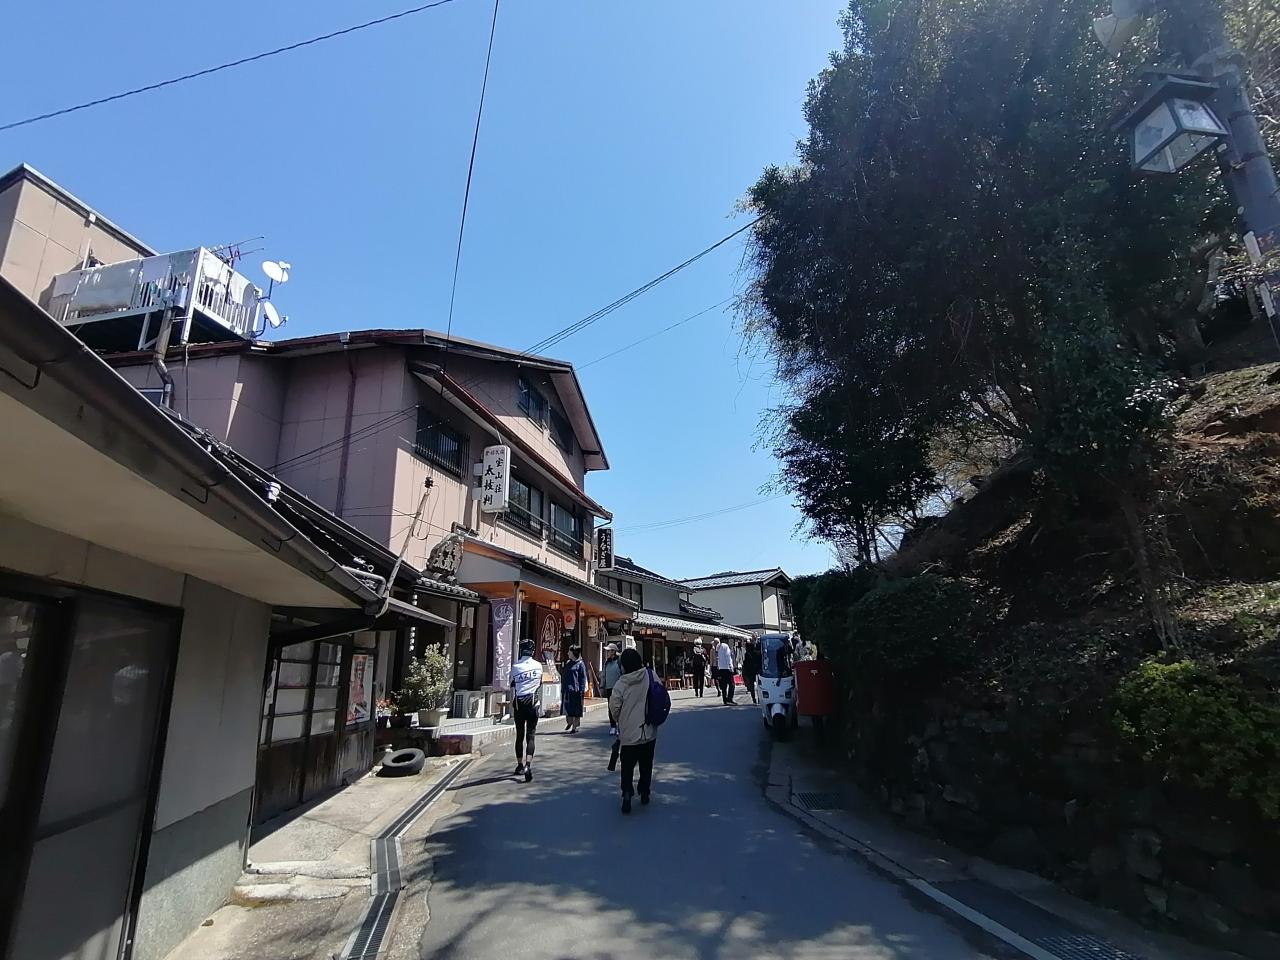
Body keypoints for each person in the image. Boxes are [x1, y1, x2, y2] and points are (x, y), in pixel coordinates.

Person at [609, 648, 657, 814]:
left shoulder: (621, 683)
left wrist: (621, 720)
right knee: (646, 763)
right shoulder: (650, 675)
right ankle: (644, 792)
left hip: (629, 733)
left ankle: (627, 793)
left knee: (627, 765)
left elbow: (614, 707)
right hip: (648, 730)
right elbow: (659, 693)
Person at [510, 640, 542, 782]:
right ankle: (528, 765)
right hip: (533, 704)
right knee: (531, 735)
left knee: (520, 735)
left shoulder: (515, 667)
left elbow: (511, 683)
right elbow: (539, 683)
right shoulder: (538, 666)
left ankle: (519, 765)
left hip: (519, 705)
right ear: (533, 651)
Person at [562, 645, 588, 734]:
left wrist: (581, 689)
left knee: (576, 710)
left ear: (574, 653)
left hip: (576, 690)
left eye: (569, 652)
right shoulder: (568, 663)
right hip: (567, 689)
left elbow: (583, 678)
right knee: (567, 709)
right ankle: (569, 722)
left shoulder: (580, 664)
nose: (568, 653)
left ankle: (575, 727)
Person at [602, 643, 622, 735]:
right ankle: (613, 726)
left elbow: (623, 674)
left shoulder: (619, 662)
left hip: (618, 688)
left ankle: (620, 726)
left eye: (609, 651)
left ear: (613, 651)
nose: (607, 653)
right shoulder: (607, 663)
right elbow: (604, 675)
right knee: (611, 708)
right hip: (609, 688)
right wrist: (602, 685)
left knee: (619, 707)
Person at [716, 638, 736, 705]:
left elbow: (718, 658)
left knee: (724, 685)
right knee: (732, 684)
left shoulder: (718, 647)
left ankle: (725, 699)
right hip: (727, 668)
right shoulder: (726, 646)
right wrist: (730, 666)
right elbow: (728, 657)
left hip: (721, 668)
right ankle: (730, 699)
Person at [742, 639, 762, 705]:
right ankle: (759, 699)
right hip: (757, 671)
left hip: (749, 672)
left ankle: (754, 699)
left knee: (751, 687)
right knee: (759, 686)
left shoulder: (747, 654)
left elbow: (745, 663)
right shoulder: (758, 653)